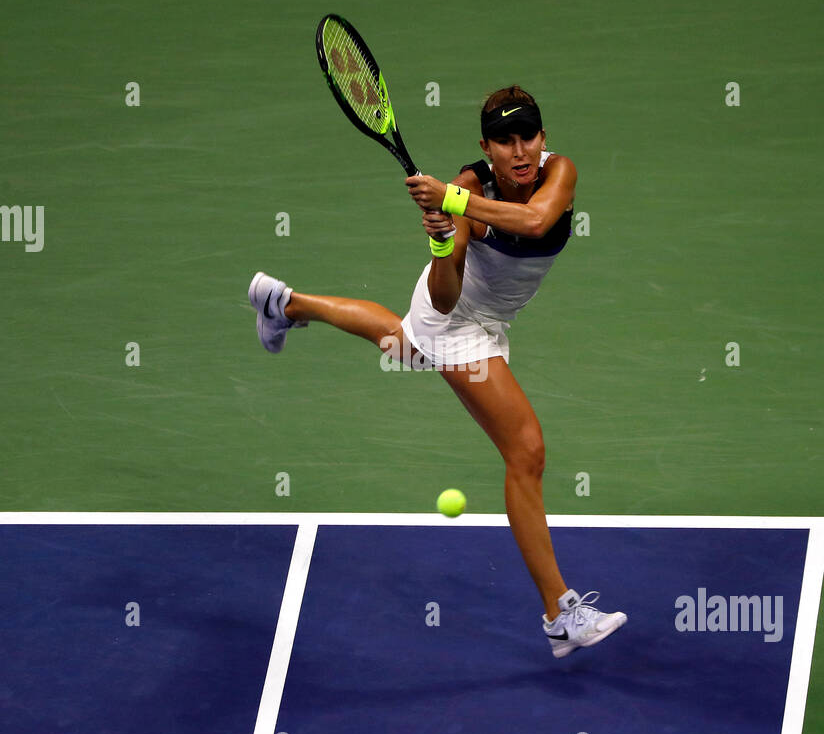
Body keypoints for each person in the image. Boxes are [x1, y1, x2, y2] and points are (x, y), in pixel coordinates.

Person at [248, 85, 626, 658]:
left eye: (528, 137)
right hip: (455, 320)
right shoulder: (469, 189)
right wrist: (444, 240)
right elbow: (445, 299)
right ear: (486, 147)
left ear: (544, 140)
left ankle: (285, 303)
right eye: (504, 141)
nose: (519, 151)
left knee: (404, 345)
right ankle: (560, 613)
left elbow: (534, 221)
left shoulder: (558, 173)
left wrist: (452, 203)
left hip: (484, 317)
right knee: (526, 451)